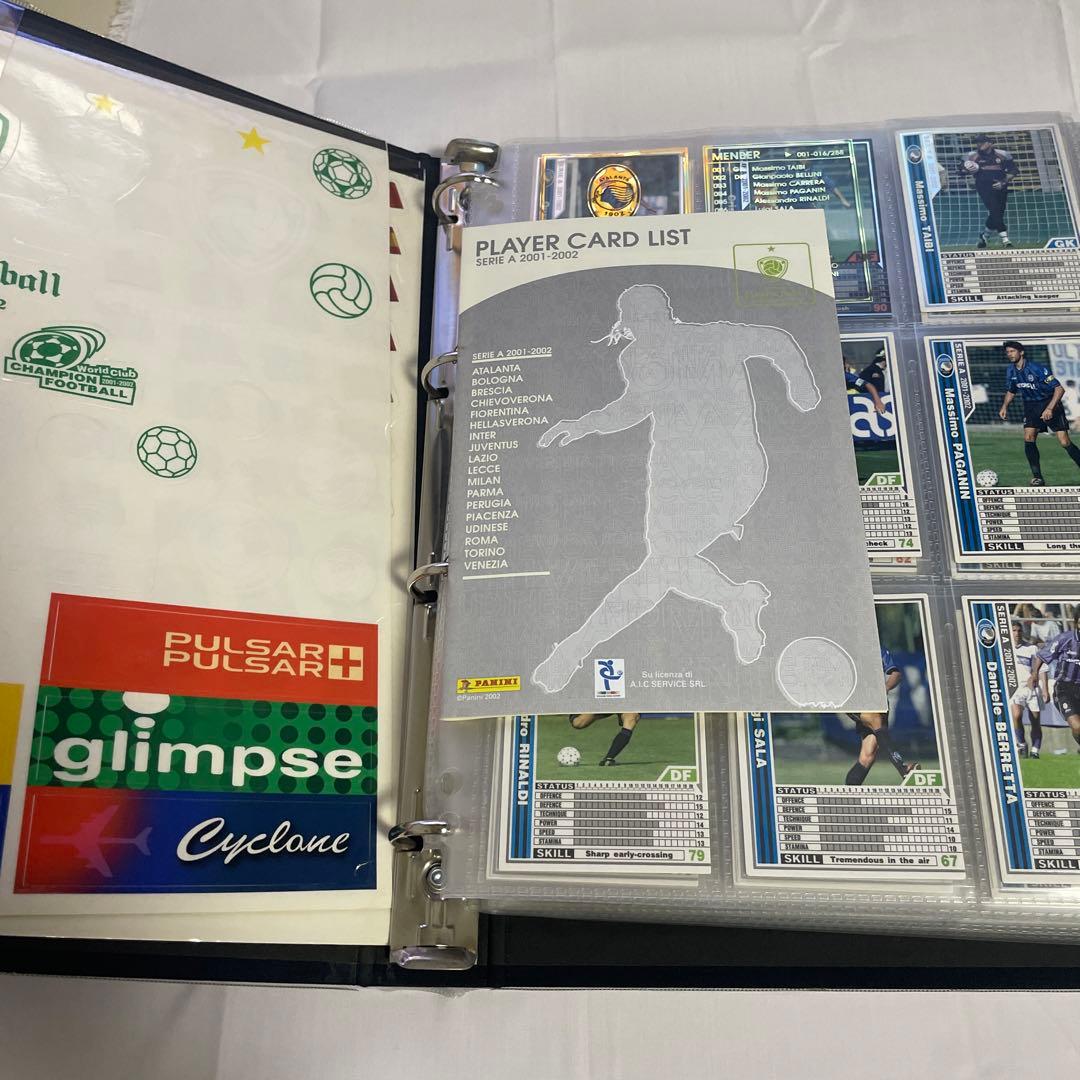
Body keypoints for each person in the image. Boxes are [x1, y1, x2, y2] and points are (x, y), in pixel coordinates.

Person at [532, 284, 821, 693]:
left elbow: (777, 340)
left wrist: (801, 385)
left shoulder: (714, 337)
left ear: (663, 313)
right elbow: (634, 407)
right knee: (666, 564)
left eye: (647, 318)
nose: (639, 328)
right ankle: (735, 601)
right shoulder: (635, 357)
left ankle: (571, 651)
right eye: (634, 322)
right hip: (673, 474)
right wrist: (584, 424)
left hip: (731, 469)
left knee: (664, 563)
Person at [997, 340, 1080, 485]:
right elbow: (1011, 390)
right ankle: (1038, 477)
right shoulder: (1010, 370)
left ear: (1021, 352)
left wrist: (1050, 408)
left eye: (1012, 351)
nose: (1010, 354)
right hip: (1031, 406)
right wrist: (1004, 407)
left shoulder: (1037, 368)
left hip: (1049, 402)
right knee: (1029, 437)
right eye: (1008, 352)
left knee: (1064, 441)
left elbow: (1059, 389)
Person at [844, 647, 918, 785]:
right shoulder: (848, 648)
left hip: (876, 701)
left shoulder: (877, 649)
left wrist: (884, 689)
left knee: (868, 756)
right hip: (857, 699)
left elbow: (896, 674)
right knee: (877, 724)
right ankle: (903, 769)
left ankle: (849, 790)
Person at [962, 133, 1018, 248]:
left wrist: (1003, 182)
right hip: (983, 186)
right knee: (994, 209)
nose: (979, 144)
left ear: (990, 143)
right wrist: (967, 169)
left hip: (1000, 185)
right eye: (977, 142)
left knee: (998, 212)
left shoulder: (1003, 154)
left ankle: (985, 236)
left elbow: (1013, 170)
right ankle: (1005, 239)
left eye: (982, 142)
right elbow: (960, 171)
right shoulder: (971, 156)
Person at [1032, 615, 1080, 750]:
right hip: (1065, 688)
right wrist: (1035, 673)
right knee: (1077, 726)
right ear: (1077, 623)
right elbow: (1042, 655)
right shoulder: (1065, 638)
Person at [1010, 621, 1043, 758]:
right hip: (1015, 688)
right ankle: (1022, 744)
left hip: (1031, 688)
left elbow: (1042, 669)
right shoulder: (1004, 649)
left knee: (1035, 720)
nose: (1017, 633)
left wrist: (1045, 689)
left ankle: (1035, 750)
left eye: (1019, 630)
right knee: (1017, 715)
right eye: (1014, 630)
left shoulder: (1031, 648)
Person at [569, 713, 642, 766]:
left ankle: (609, 759)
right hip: (603, 699)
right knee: (578, 723)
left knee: (632, 718)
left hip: (625, 699)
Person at [849, 347, 889, 415]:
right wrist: (876, 399)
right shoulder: (870, 370)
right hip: (873, 404)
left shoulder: (890, 370)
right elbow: (863, 385)